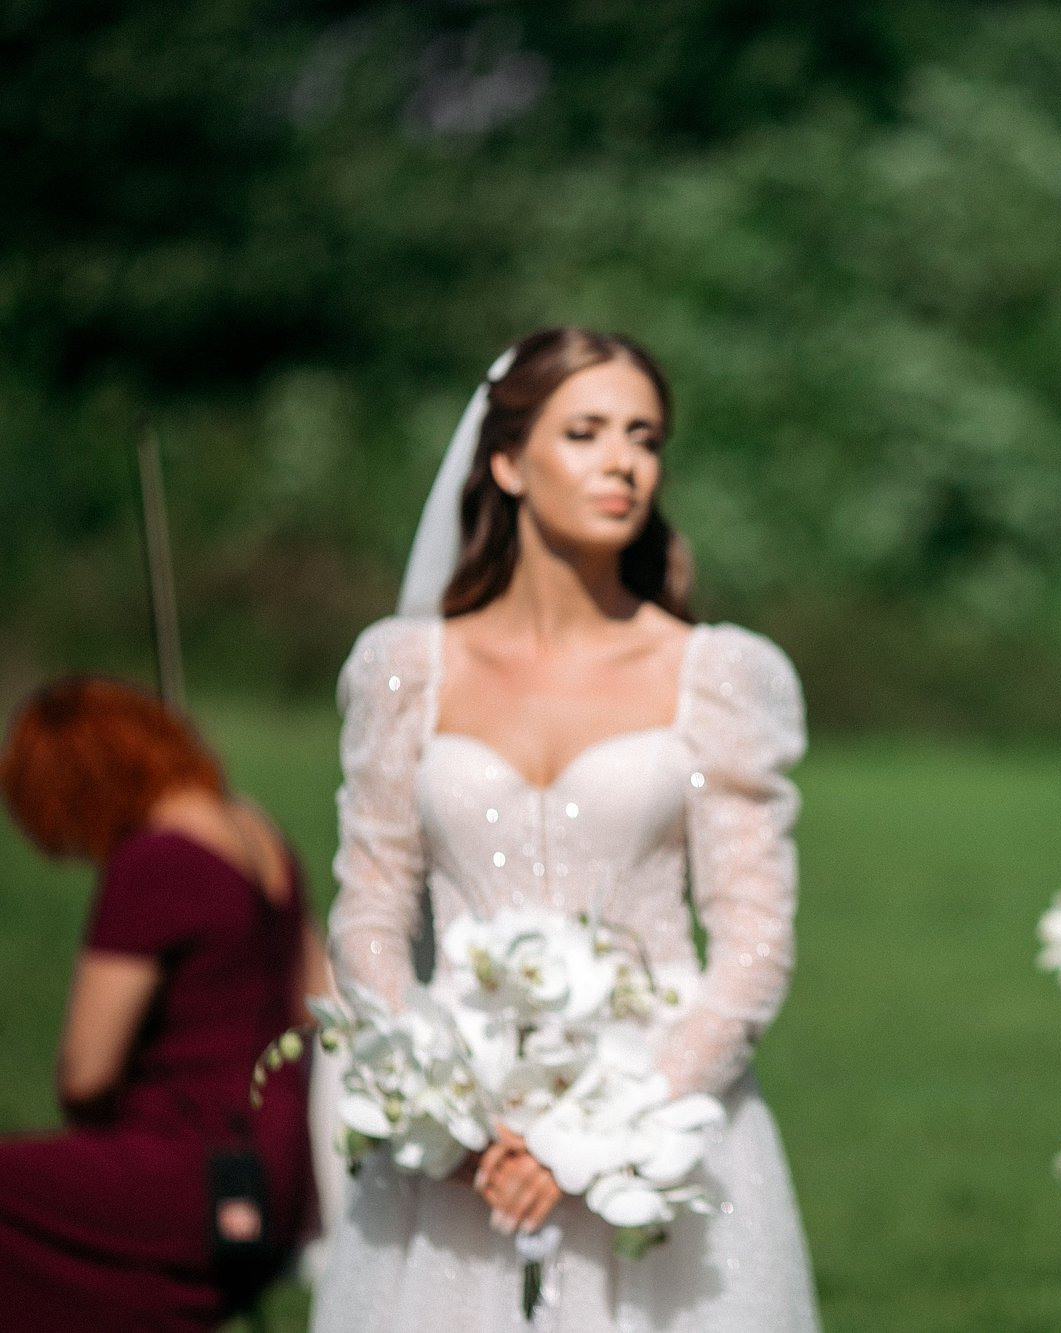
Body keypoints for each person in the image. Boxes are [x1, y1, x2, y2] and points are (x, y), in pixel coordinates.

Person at [311, 326, 820, 1331]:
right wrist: (450, 1114)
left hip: (661, 1124)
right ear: (505, 460)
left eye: (644, 435)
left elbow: (753, 940)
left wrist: (601, 1135)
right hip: (457, 1141)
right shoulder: (403, 670)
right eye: (585, 431)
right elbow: (367, 912)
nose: (623, 460)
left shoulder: (715, 676)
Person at [0, 675, 322, 1330]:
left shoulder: (156, 860)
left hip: (193, 1165)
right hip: (280, 1169)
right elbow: (320, 999)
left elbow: (85, 1071)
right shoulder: (258, 830)